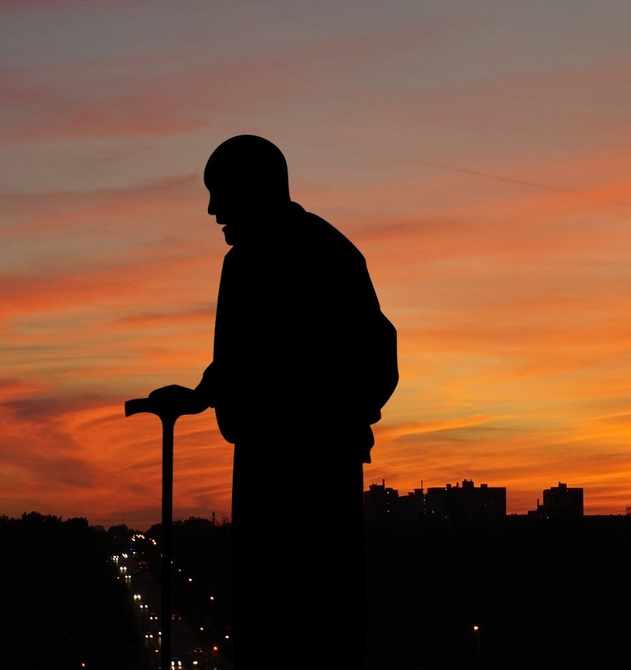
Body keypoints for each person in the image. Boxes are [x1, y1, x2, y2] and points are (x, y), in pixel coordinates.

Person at [146, 134, 398, 668]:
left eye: (220, 194)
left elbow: (376, 356)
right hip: (266, 462)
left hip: (310, 473)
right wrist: (201, 396)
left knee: (312, 623)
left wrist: (325, 423)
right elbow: (244, 358)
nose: (212, 210)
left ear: (256, 188)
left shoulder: (322, 254)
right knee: (267, 620)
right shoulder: (249, 263)